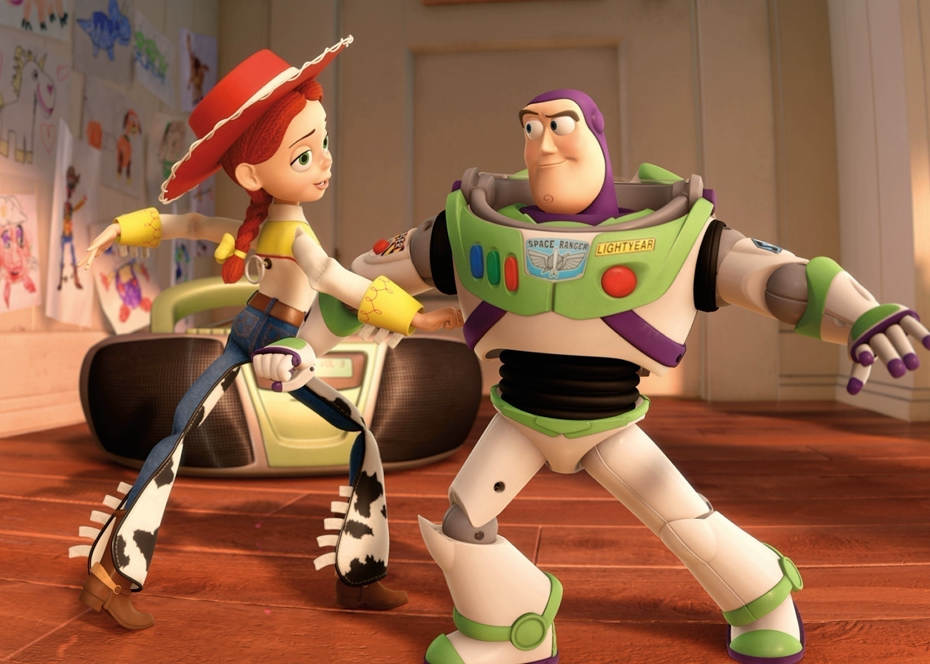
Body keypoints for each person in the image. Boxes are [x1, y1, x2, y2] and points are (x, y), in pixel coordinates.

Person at [265, 88, 930, 663]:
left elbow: (778, 280)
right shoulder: (467, 229)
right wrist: (302, 346)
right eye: (530, 128)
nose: (544, 143)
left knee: (685, 522)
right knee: (465, 523)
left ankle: (764, 602)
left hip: (609, 422)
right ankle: (512, 630)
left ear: (595, 137)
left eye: (561, 125)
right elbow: (359, 284)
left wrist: (861, 313)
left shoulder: (681, 234)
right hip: (520, 417)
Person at [75, 36, 461, 630]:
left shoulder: (260, 228)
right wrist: (416, 317)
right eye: (305, 155)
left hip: (255, 333)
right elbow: (333, 279)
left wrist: (120, 228)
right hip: (273, 342)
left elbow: (194, 223)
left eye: (323, 143)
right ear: (254, 172)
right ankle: (113, 575)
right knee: (345, 437)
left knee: (183, 434)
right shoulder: (292, 234)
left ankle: (357, 578)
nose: (325, 162)